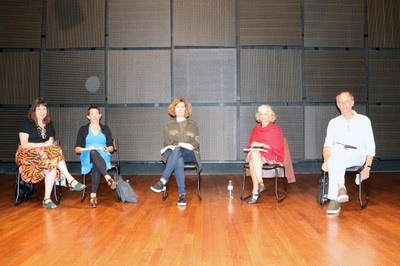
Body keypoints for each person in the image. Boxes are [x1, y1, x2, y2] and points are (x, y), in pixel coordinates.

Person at [15, 98, 86, 210]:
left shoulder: (49, 125)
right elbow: (24, 144)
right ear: (34, 109)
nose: (42, 111)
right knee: (54, 154)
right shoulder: (27, 123)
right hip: (27, 156)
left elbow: (51, 145)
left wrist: (46, 145)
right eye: (39, 108)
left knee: (52, 161)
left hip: (45, 157)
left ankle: (47, 199)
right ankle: (70, 179)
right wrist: (43, 144)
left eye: (44, 108)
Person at [322, 92, 375, 215]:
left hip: (357, 155)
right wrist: (326, 160)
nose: (343, 104)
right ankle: (340, 190)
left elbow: (371, 146)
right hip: (338, 156)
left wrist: (367, 167)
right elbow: (327, 146)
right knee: (337, 152)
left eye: (346, 101)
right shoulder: (333, 122)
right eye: (340, 102)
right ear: (337, 104)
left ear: (352, 102)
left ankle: (334, 198)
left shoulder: (364, 120)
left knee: (336, 153)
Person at [150, 98, 201, 206]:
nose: (180, 109)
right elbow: (167, 143)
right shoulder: (168, 126)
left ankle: (163, 181)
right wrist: (181, 144)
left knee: (178, 150)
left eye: (182, 107)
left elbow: (195, 144)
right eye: (177, 107)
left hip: (190, 154)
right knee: (178, 159)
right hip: (174, 154)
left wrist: (180, 144)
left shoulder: (193, 124)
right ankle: (182, 195)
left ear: (186, 109)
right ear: (174, 109)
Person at [75, 106, 117, 208]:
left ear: (100, 115)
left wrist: (106, 149)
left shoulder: (105, 129)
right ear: (88, 117)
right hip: (87, 155)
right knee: (93, 152)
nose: (94, 116)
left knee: (96, 165)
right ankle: (107, 177)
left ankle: (93, 195)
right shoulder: (83, 129)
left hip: (103, 155)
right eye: (91, 114)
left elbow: (111, 147)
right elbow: (77, 149)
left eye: (96, 113)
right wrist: (86, 149)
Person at [245, 105, 284, 204]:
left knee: (253, 158)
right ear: (258, 115)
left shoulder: (276, 129)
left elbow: (276, 147)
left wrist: (261, 144)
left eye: (266, 114)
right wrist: (254, 146)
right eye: (261, 114)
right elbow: (250, 144)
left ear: (271, 115)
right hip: (257, 155)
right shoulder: (255, 129)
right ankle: (260, 183)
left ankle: (255, 192)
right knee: (254, 154)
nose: (263, 116)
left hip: (270, 154)